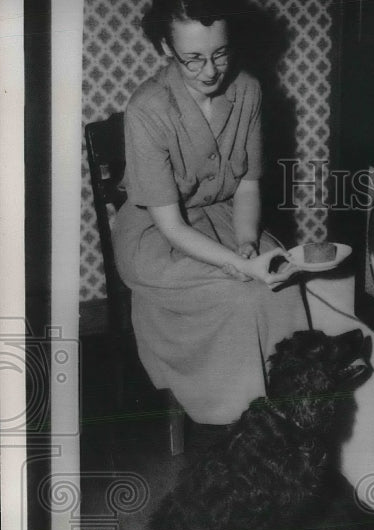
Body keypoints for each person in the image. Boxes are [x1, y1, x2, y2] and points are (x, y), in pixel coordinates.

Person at [113, 0, 307, 429]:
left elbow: (248, 184)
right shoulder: (148, 108)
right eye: (193, 59)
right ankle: (239, 420)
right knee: (238, 295)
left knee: (282, 282)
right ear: (166, 48)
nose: (210, 71)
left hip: (225, 216)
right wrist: (237, 265)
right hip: (158, 234)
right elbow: (170, 224)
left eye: (220, 53)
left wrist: (246, 243)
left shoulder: (248, 90)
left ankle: (289, 410)